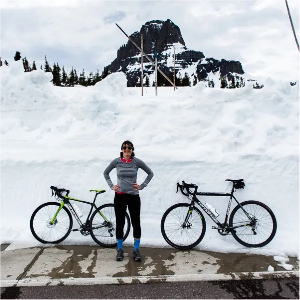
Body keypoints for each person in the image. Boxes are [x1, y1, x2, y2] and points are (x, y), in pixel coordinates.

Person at [103, 140, 154, 261]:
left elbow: (150, 173)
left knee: (136, 223)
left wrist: (141, 186)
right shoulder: (117, 161)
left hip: (133, 197)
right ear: (121, 150)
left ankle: (136, 250)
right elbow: (106, 173)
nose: (127, 150)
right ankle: (120, 249)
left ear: (132, 150)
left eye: (129, 148)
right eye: (125, 148)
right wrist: (112, 186)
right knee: (120, 223)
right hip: (120, 196)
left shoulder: (137, 162)